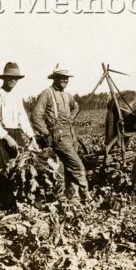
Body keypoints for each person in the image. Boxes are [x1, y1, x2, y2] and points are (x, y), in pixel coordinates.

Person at [30, 64, 91, 204]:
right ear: (55, 78)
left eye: (66, 78)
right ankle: (86, 196)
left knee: (70, 168)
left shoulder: (67, 95)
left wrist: (71, 119)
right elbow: (35, 116)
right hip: (59, 137)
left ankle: (73, 199)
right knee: (78, 166)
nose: (64, 80)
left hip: (71, 134)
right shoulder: (47, 94)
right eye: (61, 77)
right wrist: (47, 133)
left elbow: (76, 107)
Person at [0, 62, 39, 209]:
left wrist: (32, 137)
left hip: (16, 134)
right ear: (4, 77)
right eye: (10, 77)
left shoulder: (16, 97)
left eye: (16, 78)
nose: (13, 80)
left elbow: (23, 119)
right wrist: (6, 137)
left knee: (20, 168)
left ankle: (21, 200)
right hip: (0, 137)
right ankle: (7, 206)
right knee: (4, 171)